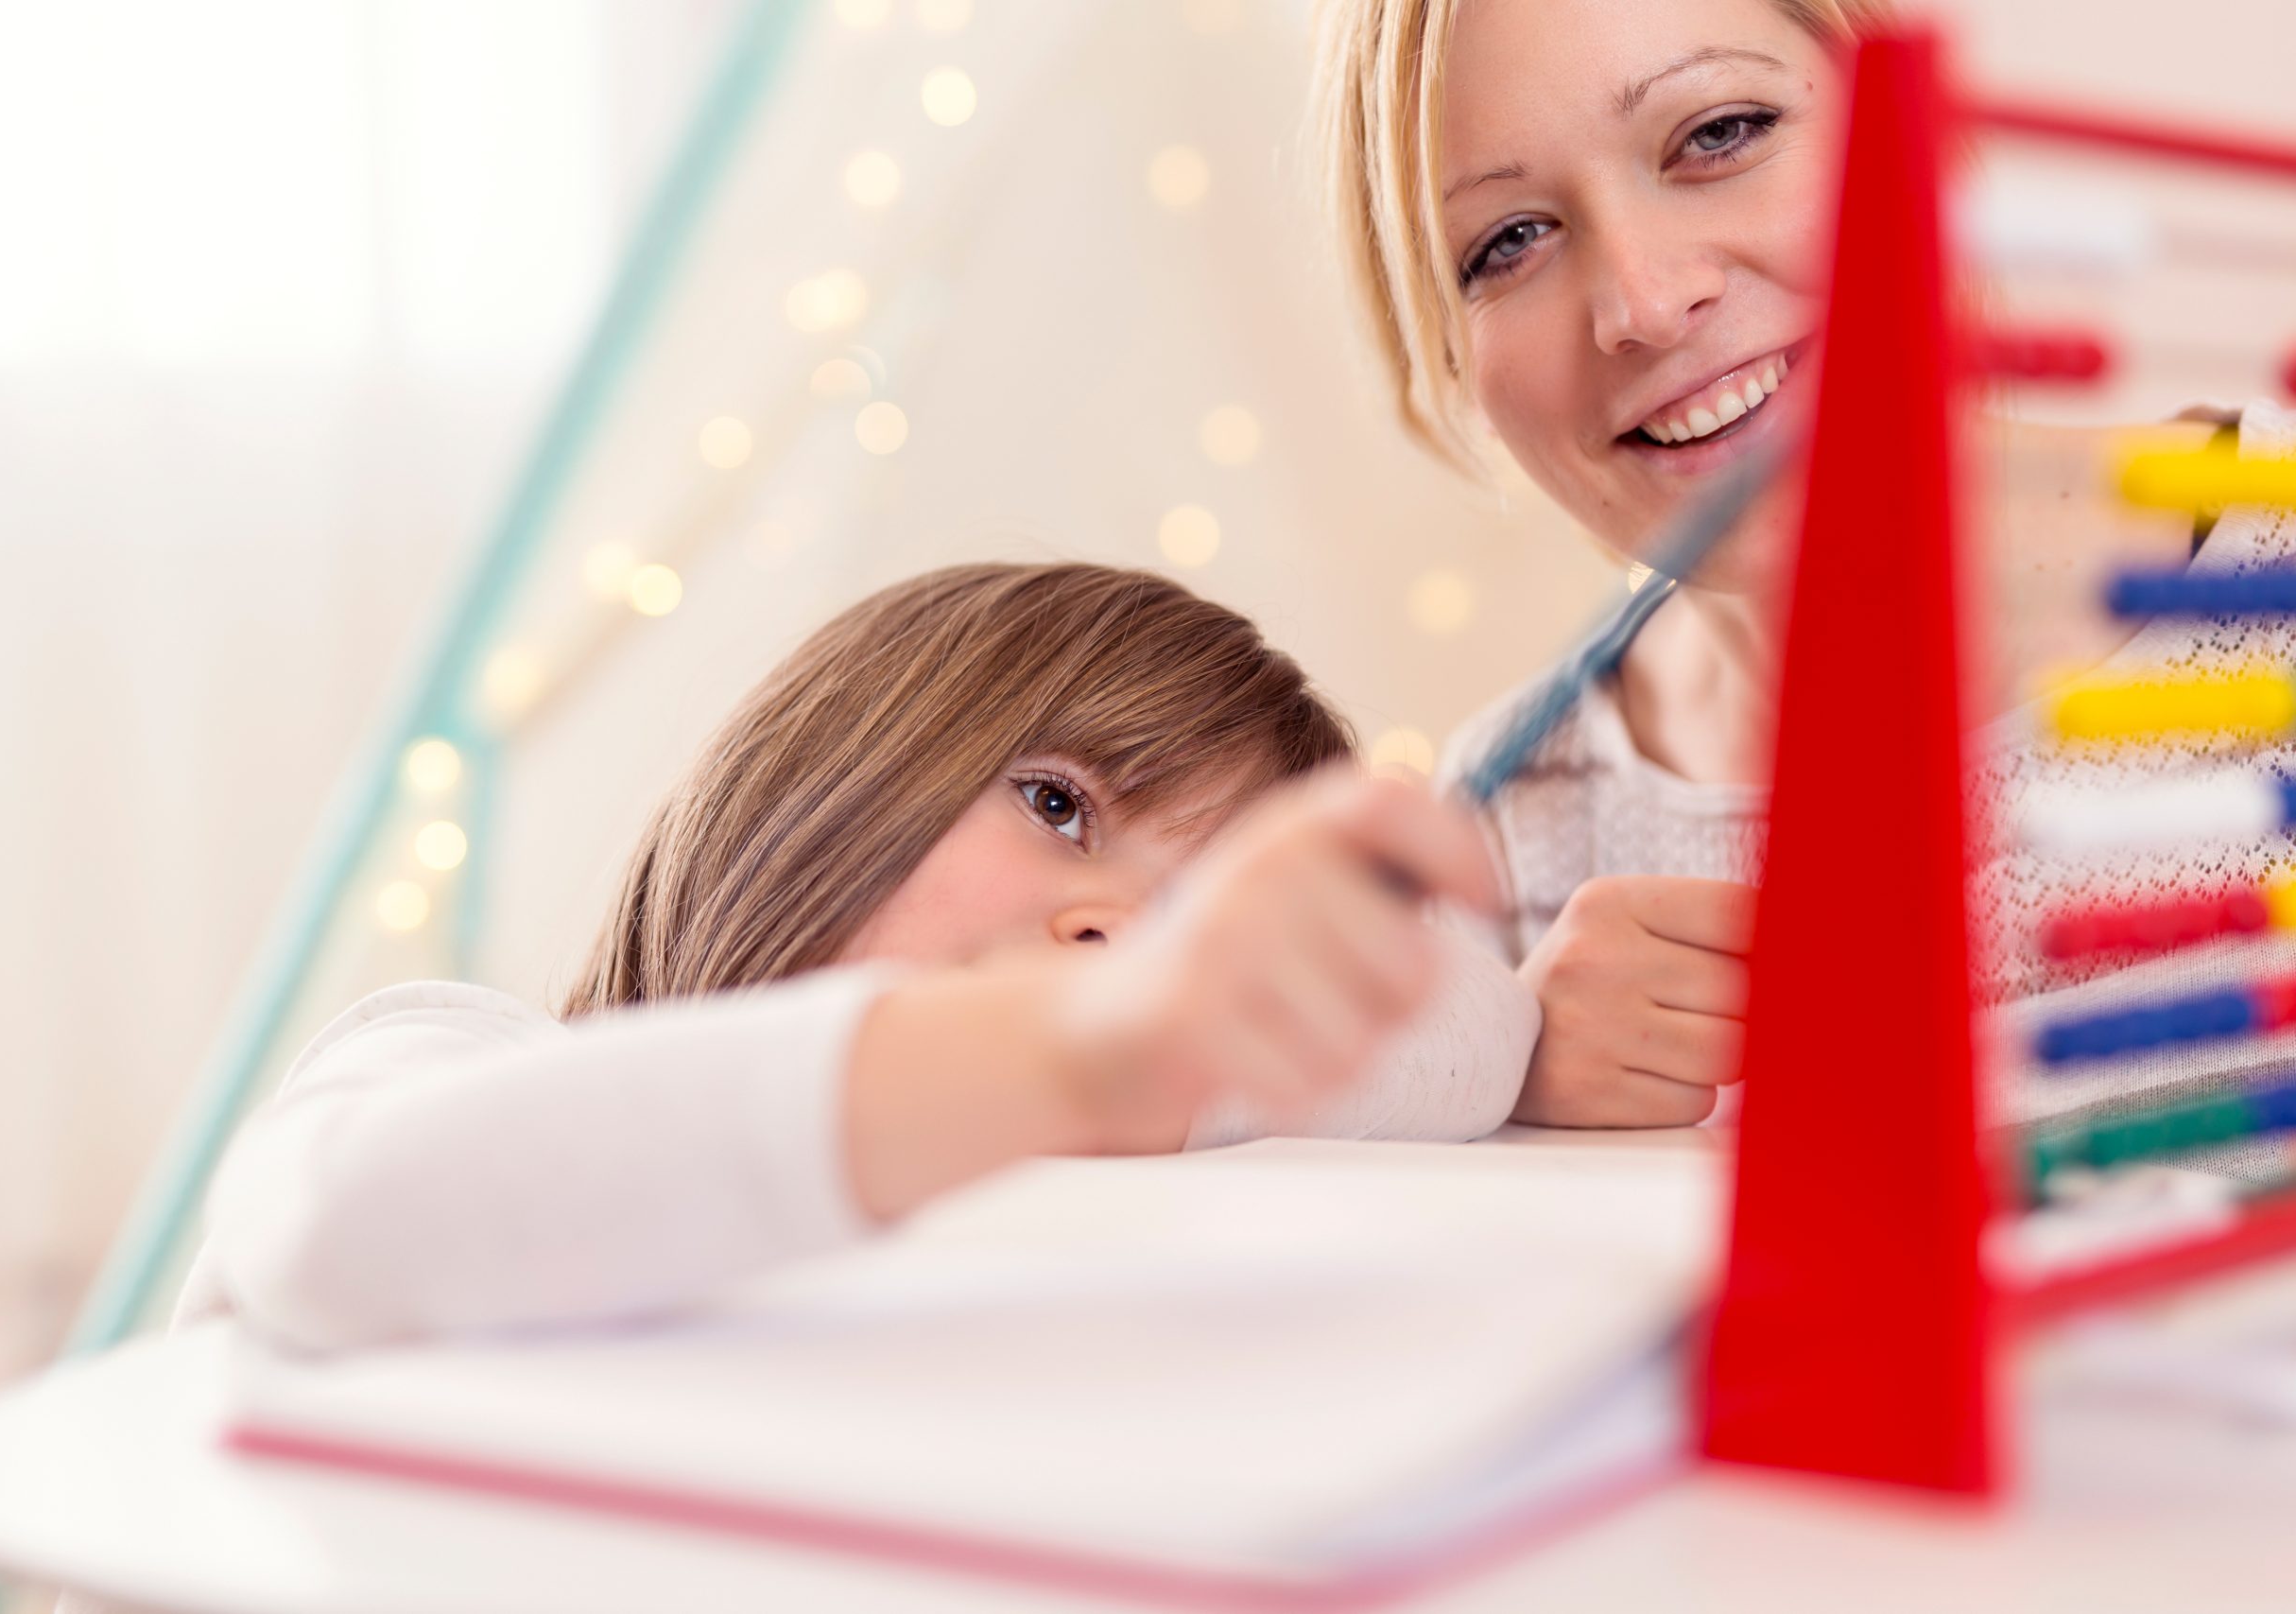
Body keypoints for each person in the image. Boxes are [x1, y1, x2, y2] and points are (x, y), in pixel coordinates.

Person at [1316, 0, 2291, 1140]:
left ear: (1911, 120)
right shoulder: (1507, 824)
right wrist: (1505, 1082)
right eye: (1509, 241)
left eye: (1718, 133)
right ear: (1450, 351)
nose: (1644, 301)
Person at [181, 563, 1540, 1353]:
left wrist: (1516, 1032)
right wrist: (1092, 1040)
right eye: (1058, 805)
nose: (1115, 932)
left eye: (1183, 918)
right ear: (832, 756)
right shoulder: (453, 1051)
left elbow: (1461, 1020)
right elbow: (331, 1215)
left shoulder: (950, 1262)